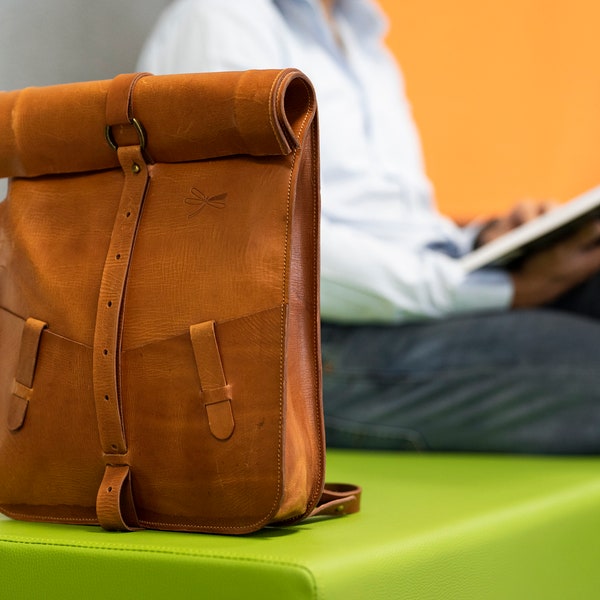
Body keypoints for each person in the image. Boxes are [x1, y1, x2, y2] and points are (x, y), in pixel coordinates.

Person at [138, 0, 600, 454]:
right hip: (306, 349)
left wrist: (482, 243)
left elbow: (394, 223)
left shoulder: (362, 35)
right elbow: (267, 249)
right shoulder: (220, 23)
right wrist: (495, 290)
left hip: (399, 301)